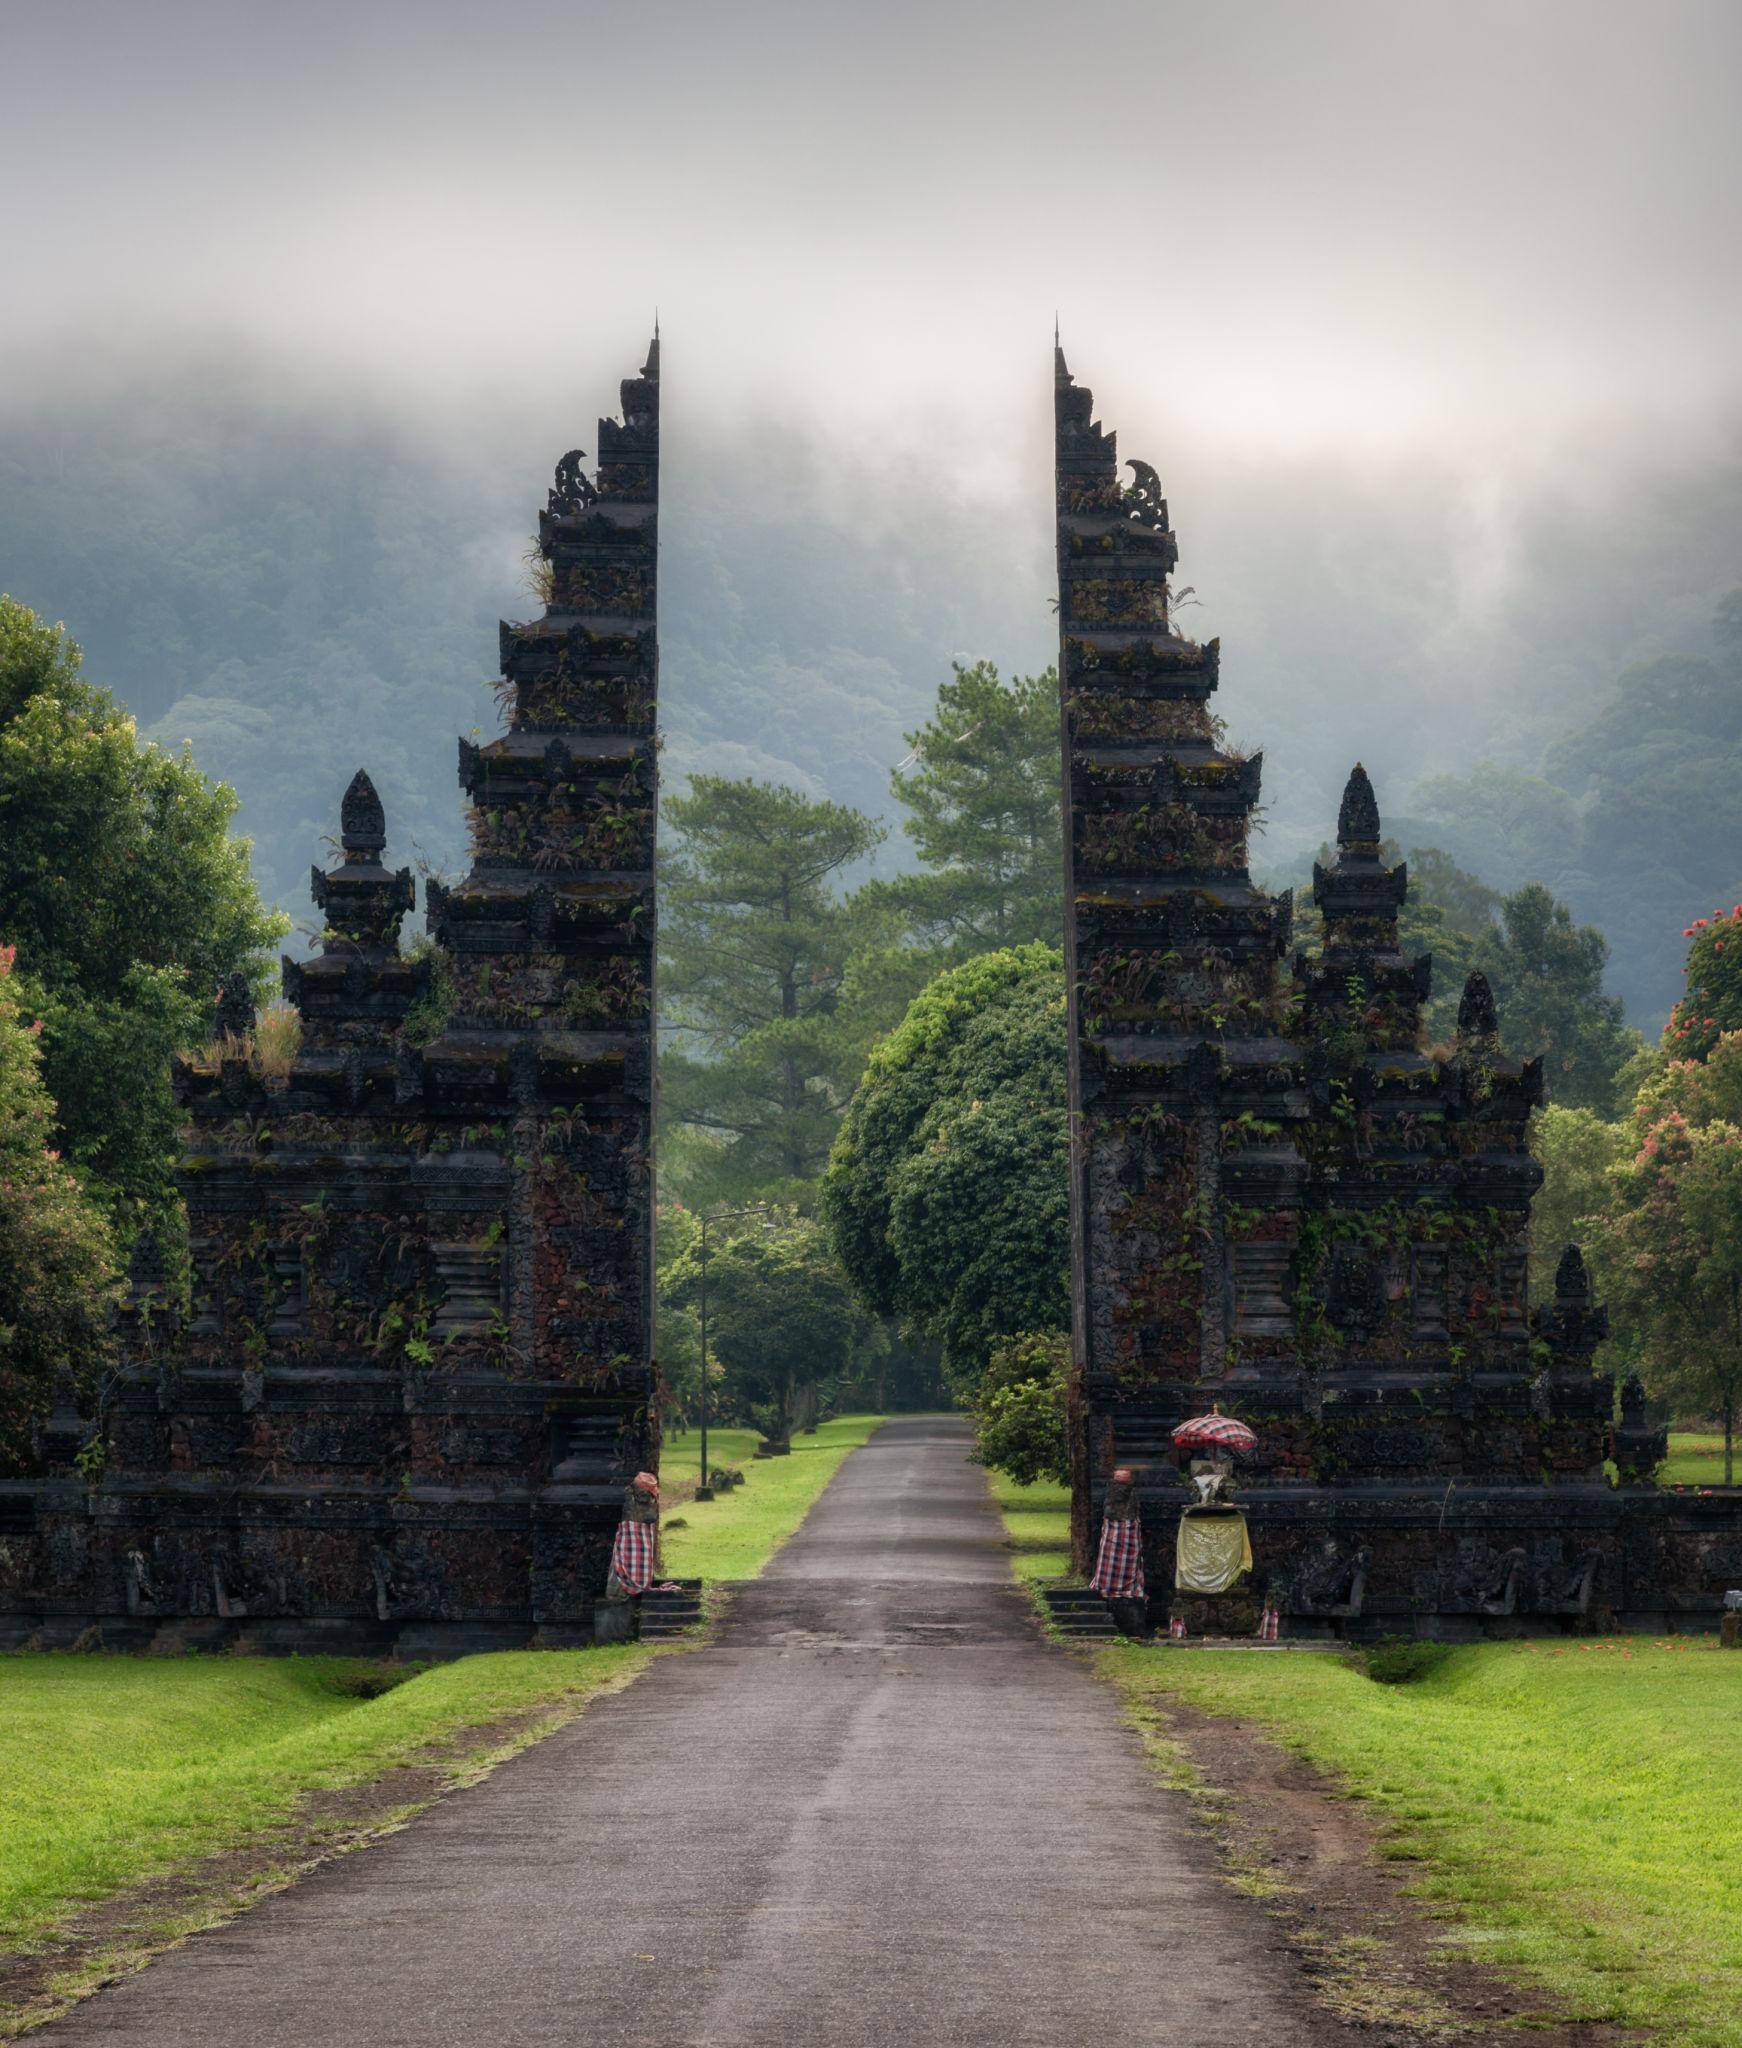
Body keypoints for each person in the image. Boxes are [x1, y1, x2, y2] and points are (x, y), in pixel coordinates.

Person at [1089, 1466, 1150, 1638]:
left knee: (1130, 1562)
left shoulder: (1132, 1496)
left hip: (1129, 1529)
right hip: (1113, 1528)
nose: (1120, 1488)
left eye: (1123, 1483)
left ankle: (1124, 1587)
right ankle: (1107, 1585)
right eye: (1117, 1483)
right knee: (1108, 1559)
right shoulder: (1110, 1497)